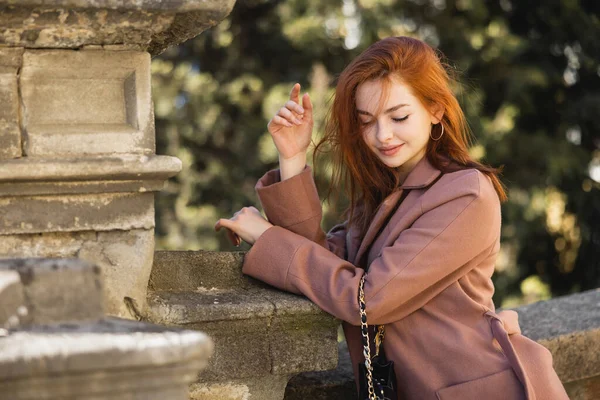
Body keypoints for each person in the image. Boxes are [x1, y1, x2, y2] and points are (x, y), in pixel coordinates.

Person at [215, 36, 568, 400]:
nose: (382, 135)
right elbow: (322, 261)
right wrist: (292, 157)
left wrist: (267, 236)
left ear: (435, 109)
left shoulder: (465, 194)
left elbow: (368, 299)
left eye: (399, 117)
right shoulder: (383, 192)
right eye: (366, 121)